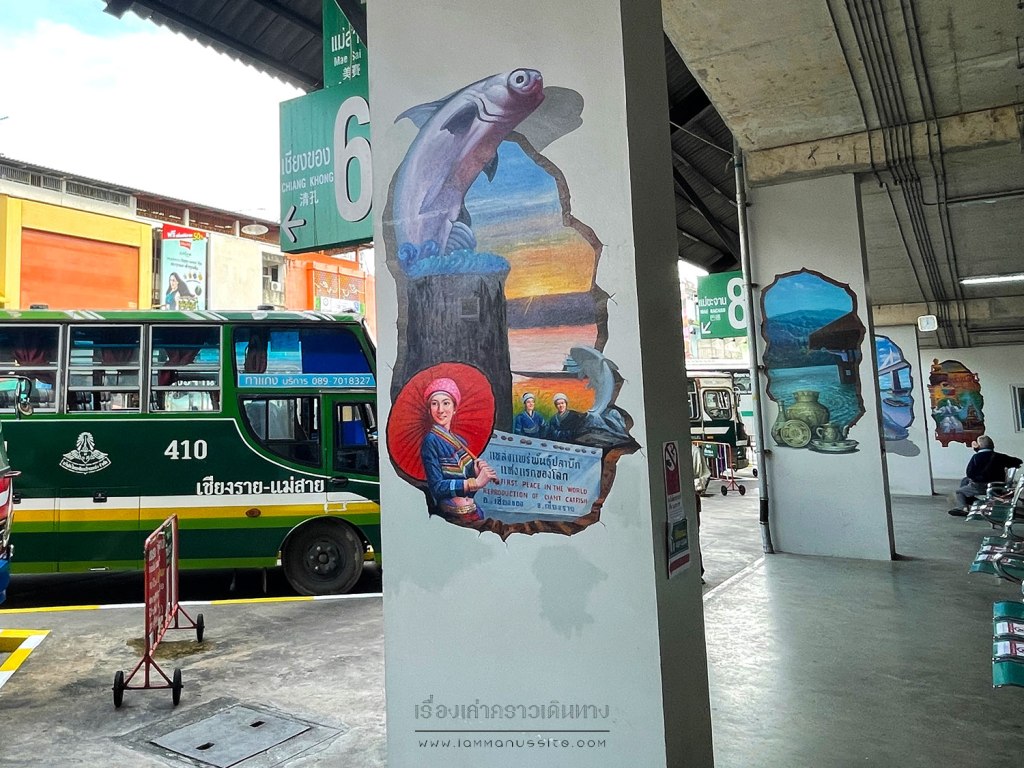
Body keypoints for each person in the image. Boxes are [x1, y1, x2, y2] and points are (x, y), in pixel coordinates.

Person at [419, 377, 498, 521]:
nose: (440, 410)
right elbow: (437, 488)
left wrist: (475, 472)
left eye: (446, 403)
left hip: (473, 511)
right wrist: (474, 482)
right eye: (434, 404)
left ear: (454, 408)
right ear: (429, 410)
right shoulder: (430, 441)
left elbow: (469, 491)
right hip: (452, 515)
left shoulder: (461, 442)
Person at [948, 435, 1022, 516]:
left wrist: (974, 479)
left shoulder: (976, 457)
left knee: (959, 492)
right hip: (997, 485)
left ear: (979, 446)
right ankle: (974, 502)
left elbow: (969, 473)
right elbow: (1018, 461)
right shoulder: (1000, 456)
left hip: (980, 486)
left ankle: (963, 508)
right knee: (965, 480)